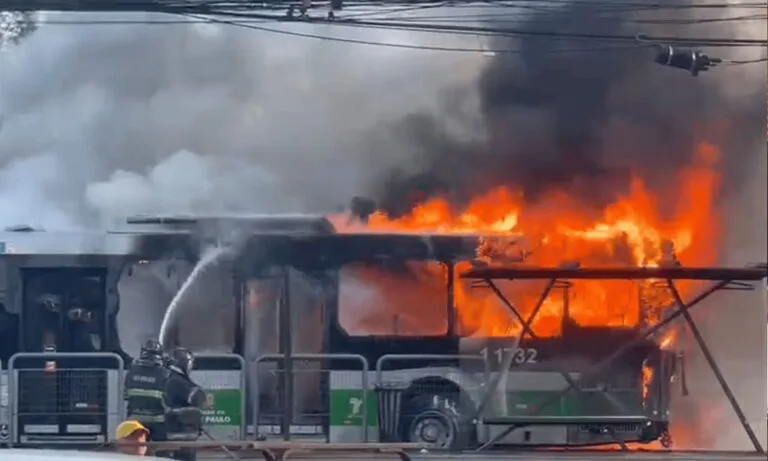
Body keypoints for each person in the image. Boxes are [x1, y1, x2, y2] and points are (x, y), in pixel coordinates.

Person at [124, 339, 170, 444]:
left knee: (136, 451)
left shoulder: (132, 371)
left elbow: (126, 396)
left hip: (135, 419)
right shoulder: (165, 373)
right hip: (158, 420)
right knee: (162, 451)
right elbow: (168, 399)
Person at [164, 347, 206, 461]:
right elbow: (197, 397)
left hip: (180, 429)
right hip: (181, 430)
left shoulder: (173, 378)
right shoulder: (177, 381)